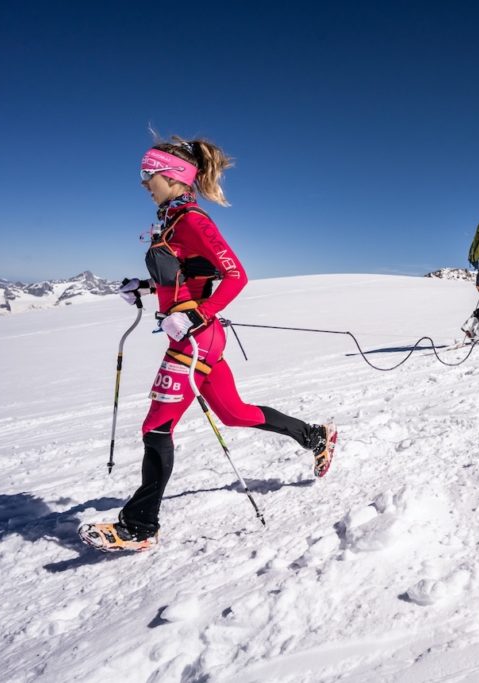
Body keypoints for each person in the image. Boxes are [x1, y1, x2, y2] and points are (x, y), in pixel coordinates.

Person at [79, 136, 339, 552]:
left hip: (195, 340)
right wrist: (144, 287)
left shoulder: (193, 221)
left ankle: (140, 525)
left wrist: (195, 315)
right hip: (196, 337)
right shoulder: (172, 220)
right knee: (234, 414)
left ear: (173, 175)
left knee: (156, 426)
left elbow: (237, 276)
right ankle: (315, 436)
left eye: (149, 175)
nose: (144, 183)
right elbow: (186, 276)